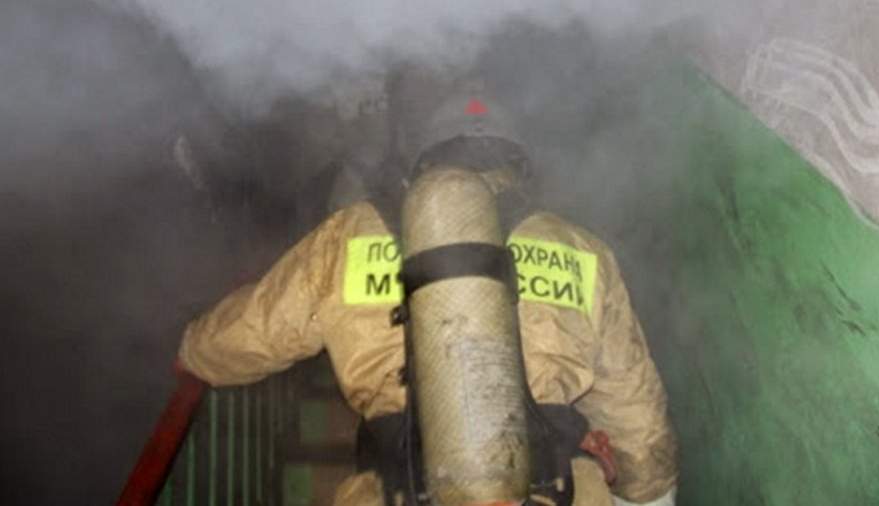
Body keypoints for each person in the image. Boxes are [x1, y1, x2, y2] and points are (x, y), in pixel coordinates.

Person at [176, 74, 678, 506]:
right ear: (519, 164)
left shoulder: (353, 233)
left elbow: (251, 332)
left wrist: (190, 351)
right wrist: (645, 486)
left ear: (425, 162)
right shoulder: (579, 247)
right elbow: (634, 407)